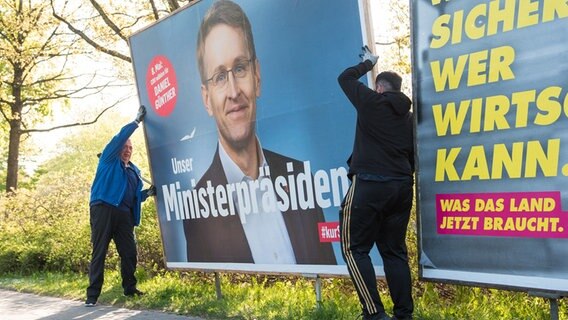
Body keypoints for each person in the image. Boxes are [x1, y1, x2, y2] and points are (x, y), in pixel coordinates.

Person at [182, 0, 335, 264]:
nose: (233, 92)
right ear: (206, 99)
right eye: (219, 77)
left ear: (257, 76)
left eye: (240, 68)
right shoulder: (197, 208)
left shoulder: (300, 178)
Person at [337, 46, 415, 320]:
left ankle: (374, 313)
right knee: (394, 252)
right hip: (402, 187)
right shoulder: (408, 118)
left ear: (380, 88)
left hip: (370, 184)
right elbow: (412, 157)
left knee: (353, 247)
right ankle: (404, 314)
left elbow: (345, 79)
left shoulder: (372, 102)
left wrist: (367, 64)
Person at [85, 105, 156, 307]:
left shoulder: (135, 172)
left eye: (131, 148)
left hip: (125, 215)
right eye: (125, 147)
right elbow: (119, 139)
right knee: (100, 251)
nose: (127, 150)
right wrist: (136, 122)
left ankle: (130, 288)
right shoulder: (108, 160)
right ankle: (92, 296)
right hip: (103, 209)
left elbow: (133, 198)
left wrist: (147, 194)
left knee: (130, 252)